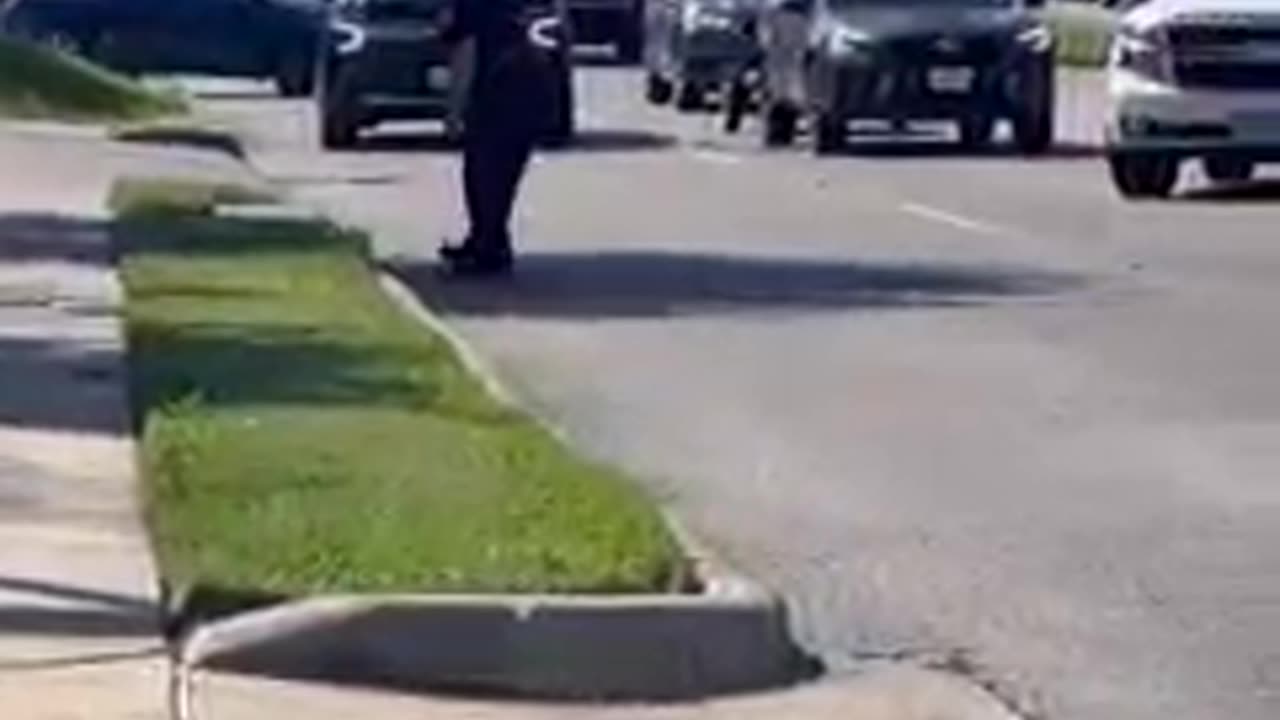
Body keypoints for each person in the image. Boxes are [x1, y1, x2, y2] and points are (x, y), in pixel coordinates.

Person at [439, 0, 555, 276]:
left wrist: (454, 112)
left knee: (483, 173)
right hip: (531, 84)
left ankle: (487, 247)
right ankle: (489, 241)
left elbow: (466, 54)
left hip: (499, 89)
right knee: (503, 174)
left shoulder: (468, 7)